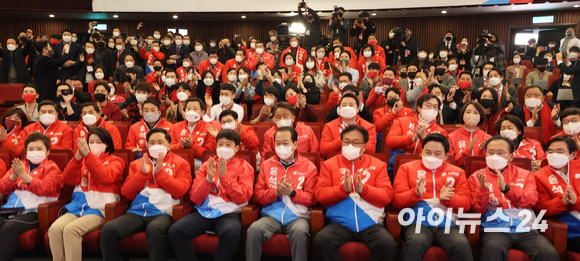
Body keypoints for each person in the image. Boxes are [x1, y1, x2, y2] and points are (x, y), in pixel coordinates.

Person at [101, 128, 192, 261]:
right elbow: (126, 193)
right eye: (152, 142)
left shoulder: (181, 163)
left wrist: (160, 173)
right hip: (137, 211)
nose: (156, 145)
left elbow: (180, 191)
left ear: (168, 145)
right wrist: (143, 174)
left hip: (163, 211)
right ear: (147, 145)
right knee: (109, 229)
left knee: (155, 229)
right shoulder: (137, 164)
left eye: (160, 142)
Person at [468, 136, 558, 261]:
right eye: (491, 152)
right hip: (494, 228)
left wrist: (507, 189)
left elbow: (531, 200)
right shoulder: (476, 177)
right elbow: (476, 210)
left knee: (548, 252)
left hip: (525, 228)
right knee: (493, 248)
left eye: (500, 153)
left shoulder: (525, 174)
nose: (495, 156)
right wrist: (483, 191)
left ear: (510, 157)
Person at [168, 129, 253, 261]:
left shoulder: (245, 167)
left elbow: (242, 198)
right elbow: (195, 198)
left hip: (229, 214)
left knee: (231, 233)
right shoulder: (207, 165)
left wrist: (225, 178)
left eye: (228, 144)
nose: (223, 148)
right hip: (204, 212)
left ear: (237, 148)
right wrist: (208, 180)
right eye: (220, 144)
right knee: (175, 231)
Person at [314, 125, 396, 261]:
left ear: (364, 147)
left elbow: (387, 196)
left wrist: (364, 190)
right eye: (346, 142)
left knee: (388, 245)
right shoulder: (329, 165)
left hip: (371, 222)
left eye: (356, 142)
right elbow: (320, 195)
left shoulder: (378, 165)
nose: (350, 145)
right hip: (339, 222)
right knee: (322, 240)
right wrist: (342, 190)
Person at [48, 127, 124, 261]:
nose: (94, 145)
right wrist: (77, 159)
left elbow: (105, 177)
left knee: (71, 230)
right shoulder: (82, 161)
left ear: (107, 144)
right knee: (54, 229)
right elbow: (67, 179)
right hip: (77, 207)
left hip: (100, 209)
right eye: (91, 141)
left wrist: (88, 156)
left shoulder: (116, 161)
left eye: (98, 141)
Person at [393, 133, 473, 261]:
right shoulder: (406, 168)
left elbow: (466, 204)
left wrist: (448, 199)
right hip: (417, 221)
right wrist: (415, 194)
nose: (431, 157)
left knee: (461, 245)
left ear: (446, 156)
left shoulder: (458, 172)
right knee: (416, 242)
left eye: (437, 154)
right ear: (421, 152)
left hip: (447, 223)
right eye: (428, 152)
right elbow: (397, 201)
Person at [246, 126, 317, 261]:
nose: (281, 147)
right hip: (271, 216)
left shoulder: (309, 167)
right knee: (254, 230)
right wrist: (276, 192)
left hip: (298, 216)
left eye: (285, 143)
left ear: (295, 144)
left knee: (299, 232)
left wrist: (292, 193)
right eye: (278, 143)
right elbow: (258, 195)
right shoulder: (267, 165)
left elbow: (312, 199)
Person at [0, 132, 63, 260]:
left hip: (34, 211)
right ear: (26, 151)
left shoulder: (52, 168)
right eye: (31, 149)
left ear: (47, 151)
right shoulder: (19, 165)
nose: (35, 152)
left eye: (39, 149)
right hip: (10, 208)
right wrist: (13, 177)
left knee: (9, 228)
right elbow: (3, 189)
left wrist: (24, 176)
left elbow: (45, 188)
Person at [534, 135, 580, 253]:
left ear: (573, 155)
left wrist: (576, 202)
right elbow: (541, 208)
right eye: (550, 151)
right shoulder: (539, 176)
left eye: (560, 151)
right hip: (570, 229)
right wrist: (562, 202)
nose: (554, 155)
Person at [386, 93, 448, 173]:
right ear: (419, 108)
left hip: (426, 169)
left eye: (435, 107)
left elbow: (440, 154)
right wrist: (412, 138)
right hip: (399, 166)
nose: (432, 109)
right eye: (428, 105)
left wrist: (424, 138)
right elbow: (390, 141)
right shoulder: (402, 121)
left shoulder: (441, 131)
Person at [320, 93, 376, 158]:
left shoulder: (369, 127)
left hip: (360, 163)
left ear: (357, 109)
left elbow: (371, 150)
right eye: (344, 105)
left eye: (351, 105)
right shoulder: (329, 126)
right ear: (339, 109)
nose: (347, 108)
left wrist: (354, 141)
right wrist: (341, 140)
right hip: (336, 162)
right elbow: (323, 150)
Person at [170, 98, 216, 171]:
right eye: (188, 108)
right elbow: (169, 148)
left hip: (201, 167)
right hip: (177, 165)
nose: (191, 111)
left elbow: (208, 155)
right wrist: (182, 146)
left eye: (195, 109)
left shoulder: (209, 128)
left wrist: (192, 145)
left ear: (202, 113)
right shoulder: (175, 127)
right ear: (184, 111)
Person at [448, 102, 492, 167]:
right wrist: (467, 151)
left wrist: (482, 152)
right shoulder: (451, 137)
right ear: (462, 115)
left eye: (476, 113)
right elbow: (451, 164)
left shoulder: (488, 138)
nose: (471, 115)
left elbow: (491, 164)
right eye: (468, 112)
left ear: (480, 117)